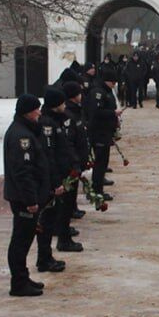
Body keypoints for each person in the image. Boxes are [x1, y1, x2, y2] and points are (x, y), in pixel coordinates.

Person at [3, 95, 50, 297]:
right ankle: (18, 282)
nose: (39, 113)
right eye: (35, 110)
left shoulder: (25, 131)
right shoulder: (21, 136)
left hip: (26, 196)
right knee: (20, 241)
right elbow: (23, 171)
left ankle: (23, 276)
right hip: (23, 199)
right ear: (26, 112)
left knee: (25, 239)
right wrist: (31, 200)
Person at [36, 86, 77, 271]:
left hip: (61, 175)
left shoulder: (58, 120)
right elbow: (49, 155)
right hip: (54, 179)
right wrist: (56, 181)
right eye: (61, 102)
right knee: (47, 220)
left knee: (55, 215)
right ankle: (44, 258)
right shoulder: (47, 125)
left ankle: (47, 256)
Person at [89, 69, 120, 200]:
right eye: (113, 82)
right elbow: (97, 112)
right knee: (100, 162)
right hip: (99, 132)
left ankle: (99, 187)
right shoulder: (98, 92)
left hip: (106, 132)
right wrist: (113, 114)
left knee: (103, 162)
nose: (114, 85)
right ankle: (97, 190)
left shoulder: (107, 92)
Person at [63, 81, 90, 221]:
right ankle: (67, 217)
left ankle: (72, 209)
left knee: (73, 189)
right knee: (69, 190)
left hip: (78, 157)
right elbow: (69, 141)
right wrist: (75, 160)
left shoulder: (77, 110)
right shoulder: (69, 113)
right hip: (72, 160)